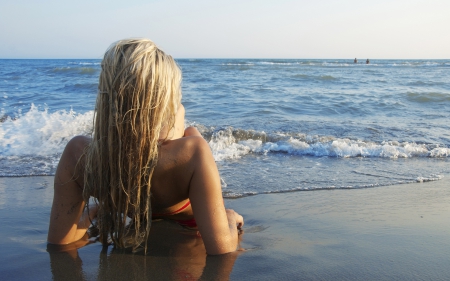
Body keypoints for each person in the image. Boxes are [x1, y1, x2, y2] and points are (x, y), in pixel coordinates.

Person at [47, 38, 244, 255]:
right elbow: (223, 251)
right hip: (185, 221)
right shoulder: (192, 152)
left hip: (123, 188)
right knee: (190, 129)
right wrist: (228, 218)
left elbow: (61, 244)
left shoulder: (78, 154)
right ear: (162, 98)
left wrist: (90, 214)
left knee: (180, 123)